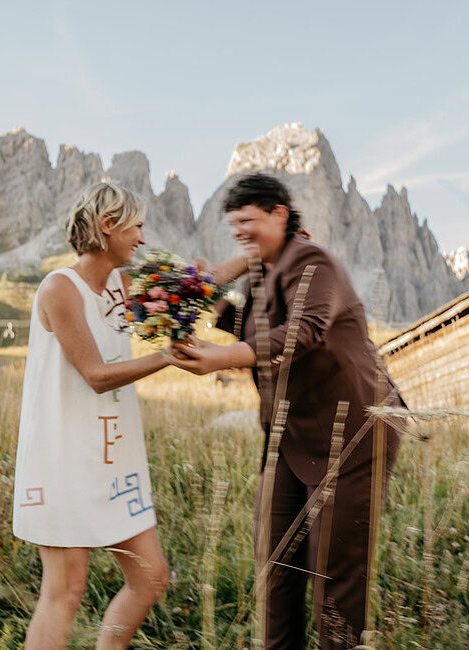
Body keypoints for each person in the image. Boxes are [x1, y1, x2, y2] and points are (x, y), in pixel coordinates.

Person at [170, 173, 405, 648]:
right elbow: (251, 327)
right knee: (275, 565)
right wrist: (208, 296)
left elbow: (303, 333)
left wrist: (221, 358)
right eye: (233, 223)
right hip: (292, 439)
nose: (239, 231)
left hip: (354, 434)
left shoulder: (313, 261)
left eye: (248, 221)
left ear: (280, 213)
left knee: (334, 579)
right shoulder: (269, 269)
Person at [13, 182, 171, 649]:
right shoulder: (60, 288)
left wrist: (260, 253)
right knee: (66, 591)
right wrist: (167, 358)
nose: (142, 238)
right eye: (137, 226)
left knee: (152, 577)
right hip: (63, 457)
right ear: (108, 226)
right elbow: (96, 375)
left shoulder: (122, 286)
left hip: (115, 462)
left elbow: (191, 283)